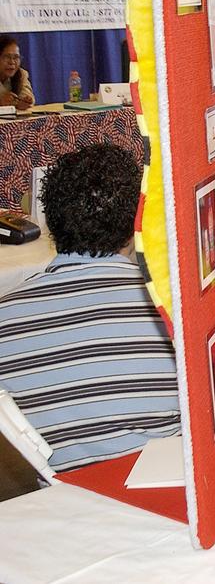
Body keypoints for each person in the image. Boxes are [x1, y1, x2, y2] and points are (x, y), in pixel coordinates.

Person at [0, 143, 181, 472]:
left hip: (55, 506)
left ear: (50, 224)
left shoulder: (5, 320)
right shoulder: (173, 313)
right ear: (138, 219)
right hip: (163, 505)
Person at [0, 34, 34, 110]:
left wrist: (23, 103)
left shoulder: (22, 74)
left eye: (16, 57)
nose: (12, 62)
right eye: (7, 57)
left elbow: (29, 99)